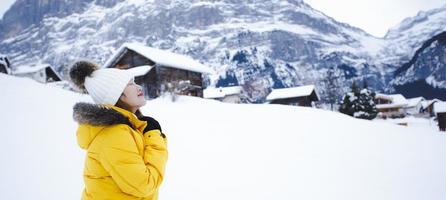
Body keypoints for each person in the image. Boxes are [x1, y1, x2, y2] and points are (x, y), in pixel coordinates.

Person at [69, 61, 168, 200]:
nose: (138, 86)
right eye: (130, 84)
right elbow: (145, 185)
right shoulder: (114, 134)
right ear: (117, 95)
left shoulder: (125, 129)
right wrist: (153, 136)